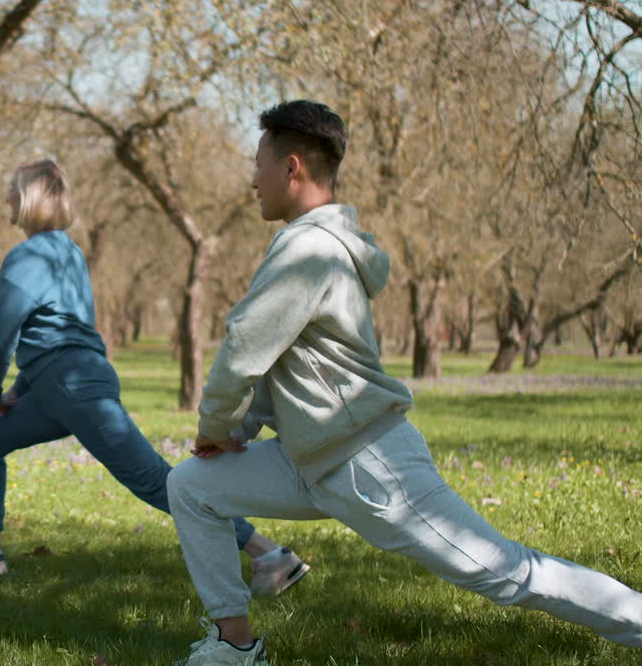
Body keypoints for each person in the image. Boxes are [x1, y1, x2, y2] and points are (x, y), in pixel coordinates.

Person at [167, 100, 642, 665]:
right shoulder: (307, 246)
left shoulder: (309, 250)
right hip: (309, 458)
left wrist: (215, 424)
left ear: (291, 167)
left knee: (505, 573)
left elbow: (243, 348)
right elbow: (275, 363)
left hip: (367, 465)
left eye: (258, 165)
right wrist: (234, 432)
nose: (252, 181)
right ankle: (234, 647)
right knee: (193, 485)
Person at [0, 159, 307, 594]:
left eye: (10, 189)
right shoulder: (68, 252)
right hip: (67, 383)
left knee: (153, 479)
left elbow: (3, 336)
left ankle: (269, 555)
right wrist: (17, 392)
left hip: (73, 386)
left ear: (26, 198)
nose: (5, 197)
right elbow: (57, 332)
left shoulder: (27, 256)